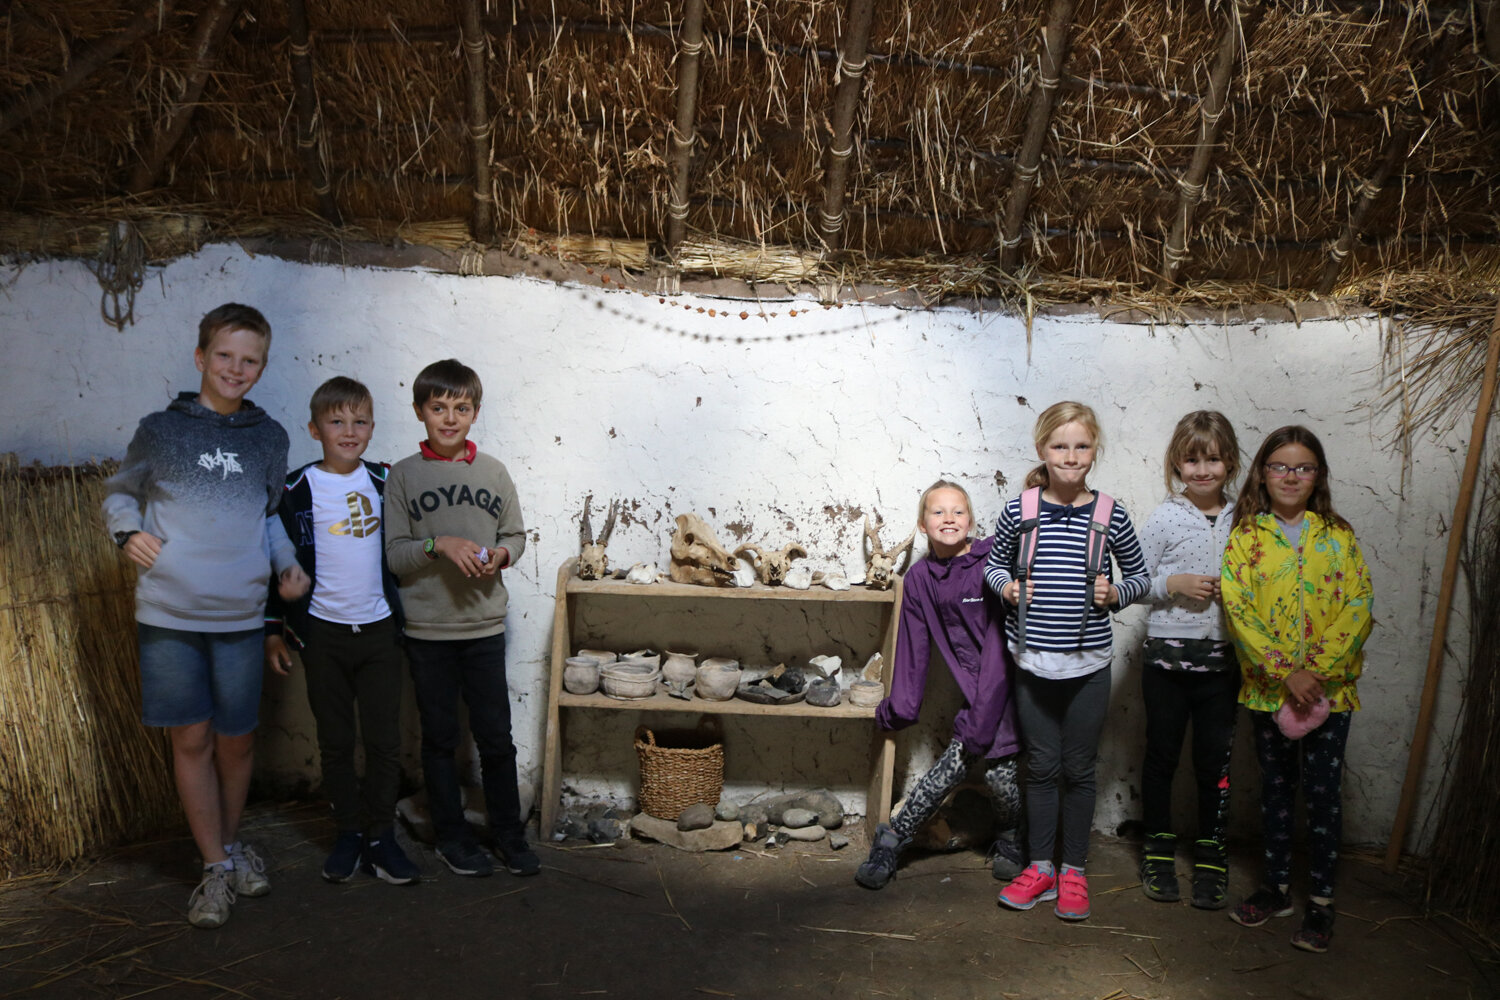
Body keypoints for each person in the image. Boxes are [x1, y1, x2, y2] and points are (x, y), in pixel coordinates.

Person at [102, 303, 310, 929]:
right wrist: (126, 532)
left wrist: (286, 564)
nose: (235, 368)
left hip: (241, 617)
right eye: (224, 355)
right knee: (190, 737)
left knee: (237, 740)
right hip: (169, 612)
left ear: (262, 368)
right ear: (201, 358)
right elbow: (119, 492)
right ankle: (216, 865)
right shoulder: (162, 430)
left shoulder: (269, 438)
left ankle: (227, 843)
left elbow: (268, 514)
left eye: (249, 360)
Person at [983, 401, 1149, 921]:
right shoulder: (1021, 511)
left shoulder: (1110, 514)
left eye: (1081, 446)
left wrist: (1114, 593)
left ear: (1094, 451)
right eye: (1060, 446)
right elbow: (991, 567)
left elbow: (1140, 579)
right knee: (1041, 769)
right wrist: (1006, 586)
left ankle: (1073, 870)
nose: (1071, 456)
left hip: (1089, 667)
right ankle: (1040, 868)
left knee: (1078, 770)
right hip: (1031, 663)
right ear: (1042, 450)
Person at [383, 359, 536, 878]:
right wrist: (438, 544)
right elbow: (395, 555)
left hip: (484, 628)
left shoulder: (493, 472)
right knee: (441, 740)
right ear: (420, 411)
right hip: (428, 632)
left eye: (461, 408)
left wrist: (502, 556)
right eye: (438, 407)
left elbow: (515, 535)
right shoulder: (403, 475)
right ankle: (451, 837)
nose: (450, 418)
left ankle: (510, 836)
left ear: (475, 413)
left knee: (496, 739)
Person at [1222, 425, 1372, 954]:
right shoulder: (1246, 537)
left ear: (1318, 476)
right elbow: (1239, 611)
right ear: (1263, 473)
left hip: (1331, 694)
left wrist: (1318, 674)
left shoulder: (1338, 535)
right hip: (1269, 693)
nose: (1291, 476)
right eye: (1280, 466)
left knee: (1324, 797)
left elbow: (1358, 605)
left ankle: (1323, 902)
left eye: (1303, 467)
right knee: (1278, 791)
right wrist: (1287, 671)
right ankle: (1276, 888)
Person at [264, 377, 419, 886]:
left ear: (373, 427)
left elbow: (410, 544)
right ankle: (348, 832)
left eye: (359, 421)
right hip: (322, 635)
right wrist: (273, 629)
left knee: (383, 741)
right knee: (334, 741)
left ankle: (381, 836)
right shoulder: (293, 489)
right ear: (314, 429)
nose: (349, 431)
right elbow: (273, 561)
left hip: (378, 632)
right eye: (336, 422)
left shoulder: (386, 480)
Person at [855, 481, 1024, 890]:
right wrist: (900, 708)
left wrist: (986, 710)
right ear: (922, 525)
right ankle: (891, 842)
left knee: (999, 780)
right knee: (958, 766)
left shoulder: (994, 563)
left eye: (958, 511)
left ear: (971, 522)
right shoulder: (919, 579)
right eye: (938, 512)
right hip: (973, 694)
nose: (949, 518)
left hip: (1008, 689)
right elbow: (913, 649)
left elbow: (1004, 639)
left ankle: (1011, 834)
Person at [1134, 411, 1242, 909]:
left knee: (1213, 764)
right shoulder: (1164, 516)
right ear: (1177, 463)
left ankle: (1211, 854)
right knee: (1161, 757)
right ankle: (1157, 850)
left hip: (1222, 667)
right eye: (1192, 459)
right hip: (1166, 666)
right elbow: (1133, 585)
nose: (1203, 469)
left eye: (1213, 459)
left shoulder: (1246, 519)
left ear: (1230, 462)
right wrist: (1172, 585)